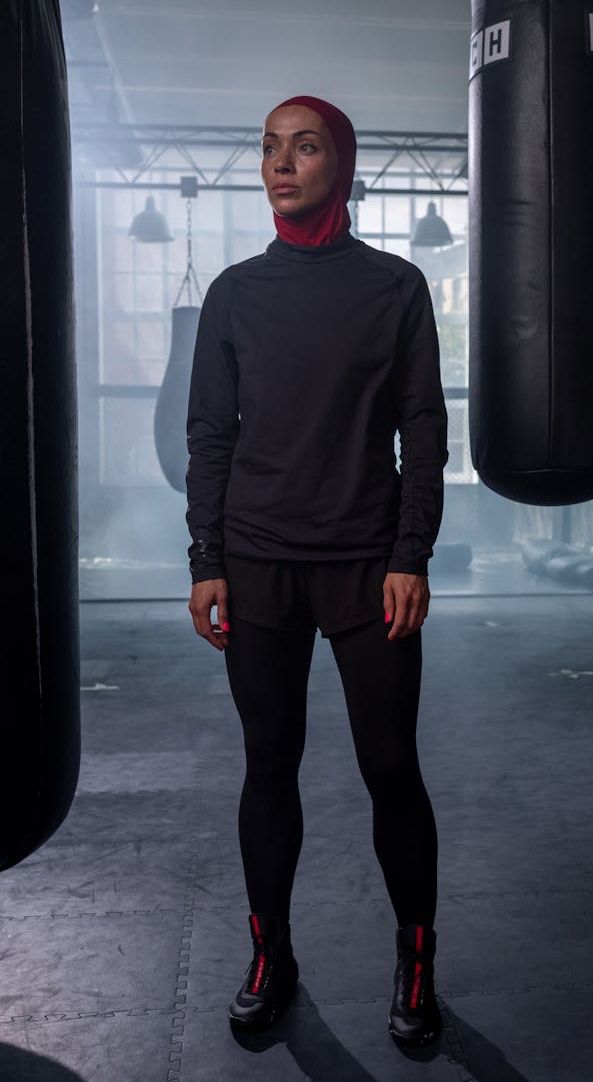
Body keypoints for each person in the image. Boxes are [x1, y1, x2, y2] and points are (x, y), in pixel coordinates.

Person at [185, 95, 448, 1048]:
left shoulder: (395, 287)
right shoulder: (233, 294)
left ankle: (416, 963)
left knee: (390, 769)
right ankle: (272, 954)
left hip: (366, 566)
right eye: (268, 147)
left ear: (342, 161)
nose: (280, 162)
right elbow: (210, 434)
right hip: (257, 566)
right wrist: (206, 560)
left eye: (304, 145)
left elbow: (424, 427)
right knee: (268, 766)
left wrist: (410, 553)